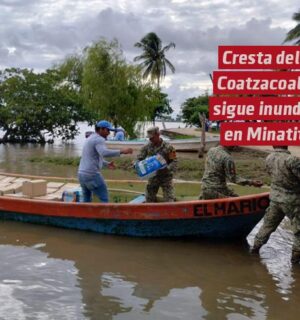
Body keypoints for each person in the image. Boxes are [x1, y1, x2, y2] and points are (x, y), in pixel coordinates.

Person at [251, 146, 300, 264]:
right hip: (292, 202)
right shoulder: (292, 160)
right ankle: (295, 262)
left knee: (267, 226)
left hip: (275, 199)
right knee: (298, 231)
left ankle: (254, 251)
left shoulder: (269, 158)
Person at [78, 120, 133, 203]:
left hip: (81, 174)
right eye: (108, 130)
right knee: (104, 198)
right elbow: (104, 152)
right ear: (101, 129)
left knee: (87, 199)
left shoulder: (90, 137)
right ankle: (104, 216)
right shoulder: (99, 139)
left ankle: (86, 215)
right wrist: (122, 151)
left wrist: (106, 164)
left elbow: (92, 157)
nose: (109, 133)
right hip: (92, 174)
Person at [136, 127, 177, 202]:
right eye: (149, 138)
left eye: (152, 138)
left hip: (166, 177)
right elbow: (139, 158)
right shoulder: (147, 147)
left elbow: (174, 161)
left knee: (169, 200)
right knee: (148, 199)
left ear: (158, 134)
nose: (150, 140)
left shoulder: (169, 147)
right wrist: (137, 165)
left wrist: (167, 168)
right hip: (153, 177)